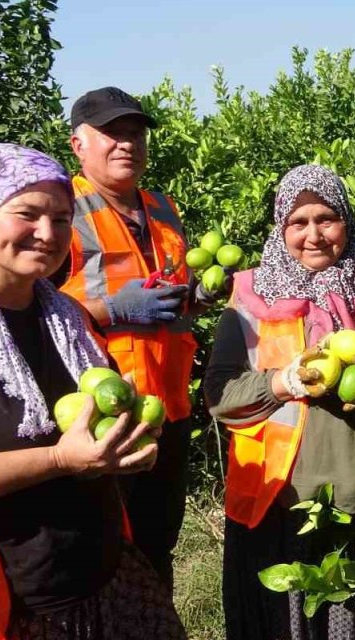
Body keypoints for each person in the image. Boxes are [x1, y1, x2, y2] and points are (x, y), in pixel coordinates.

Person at [0, 143, 185, 638]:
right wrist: (58, 460)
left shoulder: (68, 321)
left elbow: (97, 426)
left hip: (105, 579)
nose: (48, 233)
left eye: (63, 218)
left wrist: (130, 441)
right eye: (28, 214)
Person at [205, 164, 355, 640]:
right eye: (299, 222)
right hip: (282, 502)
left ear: (348, 221)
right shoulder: (249, 294)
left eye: (327, 218)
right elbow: (219, 394)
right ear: (281, 228)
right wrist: (284, 382)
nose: (314, 235)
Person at [57, 86, 212, 589]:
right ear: (79, 144)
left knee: (157, 541)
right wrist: (111, 309)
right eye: (111, 134)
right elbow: (30, 315)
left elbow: (163, 291)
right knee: (108, 549)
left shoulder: (161, 208)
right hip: (101, 417)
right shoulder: (60, 211)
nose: (126, 144)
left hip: (165, 408)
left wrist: (198, 295)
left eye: (135, 134)